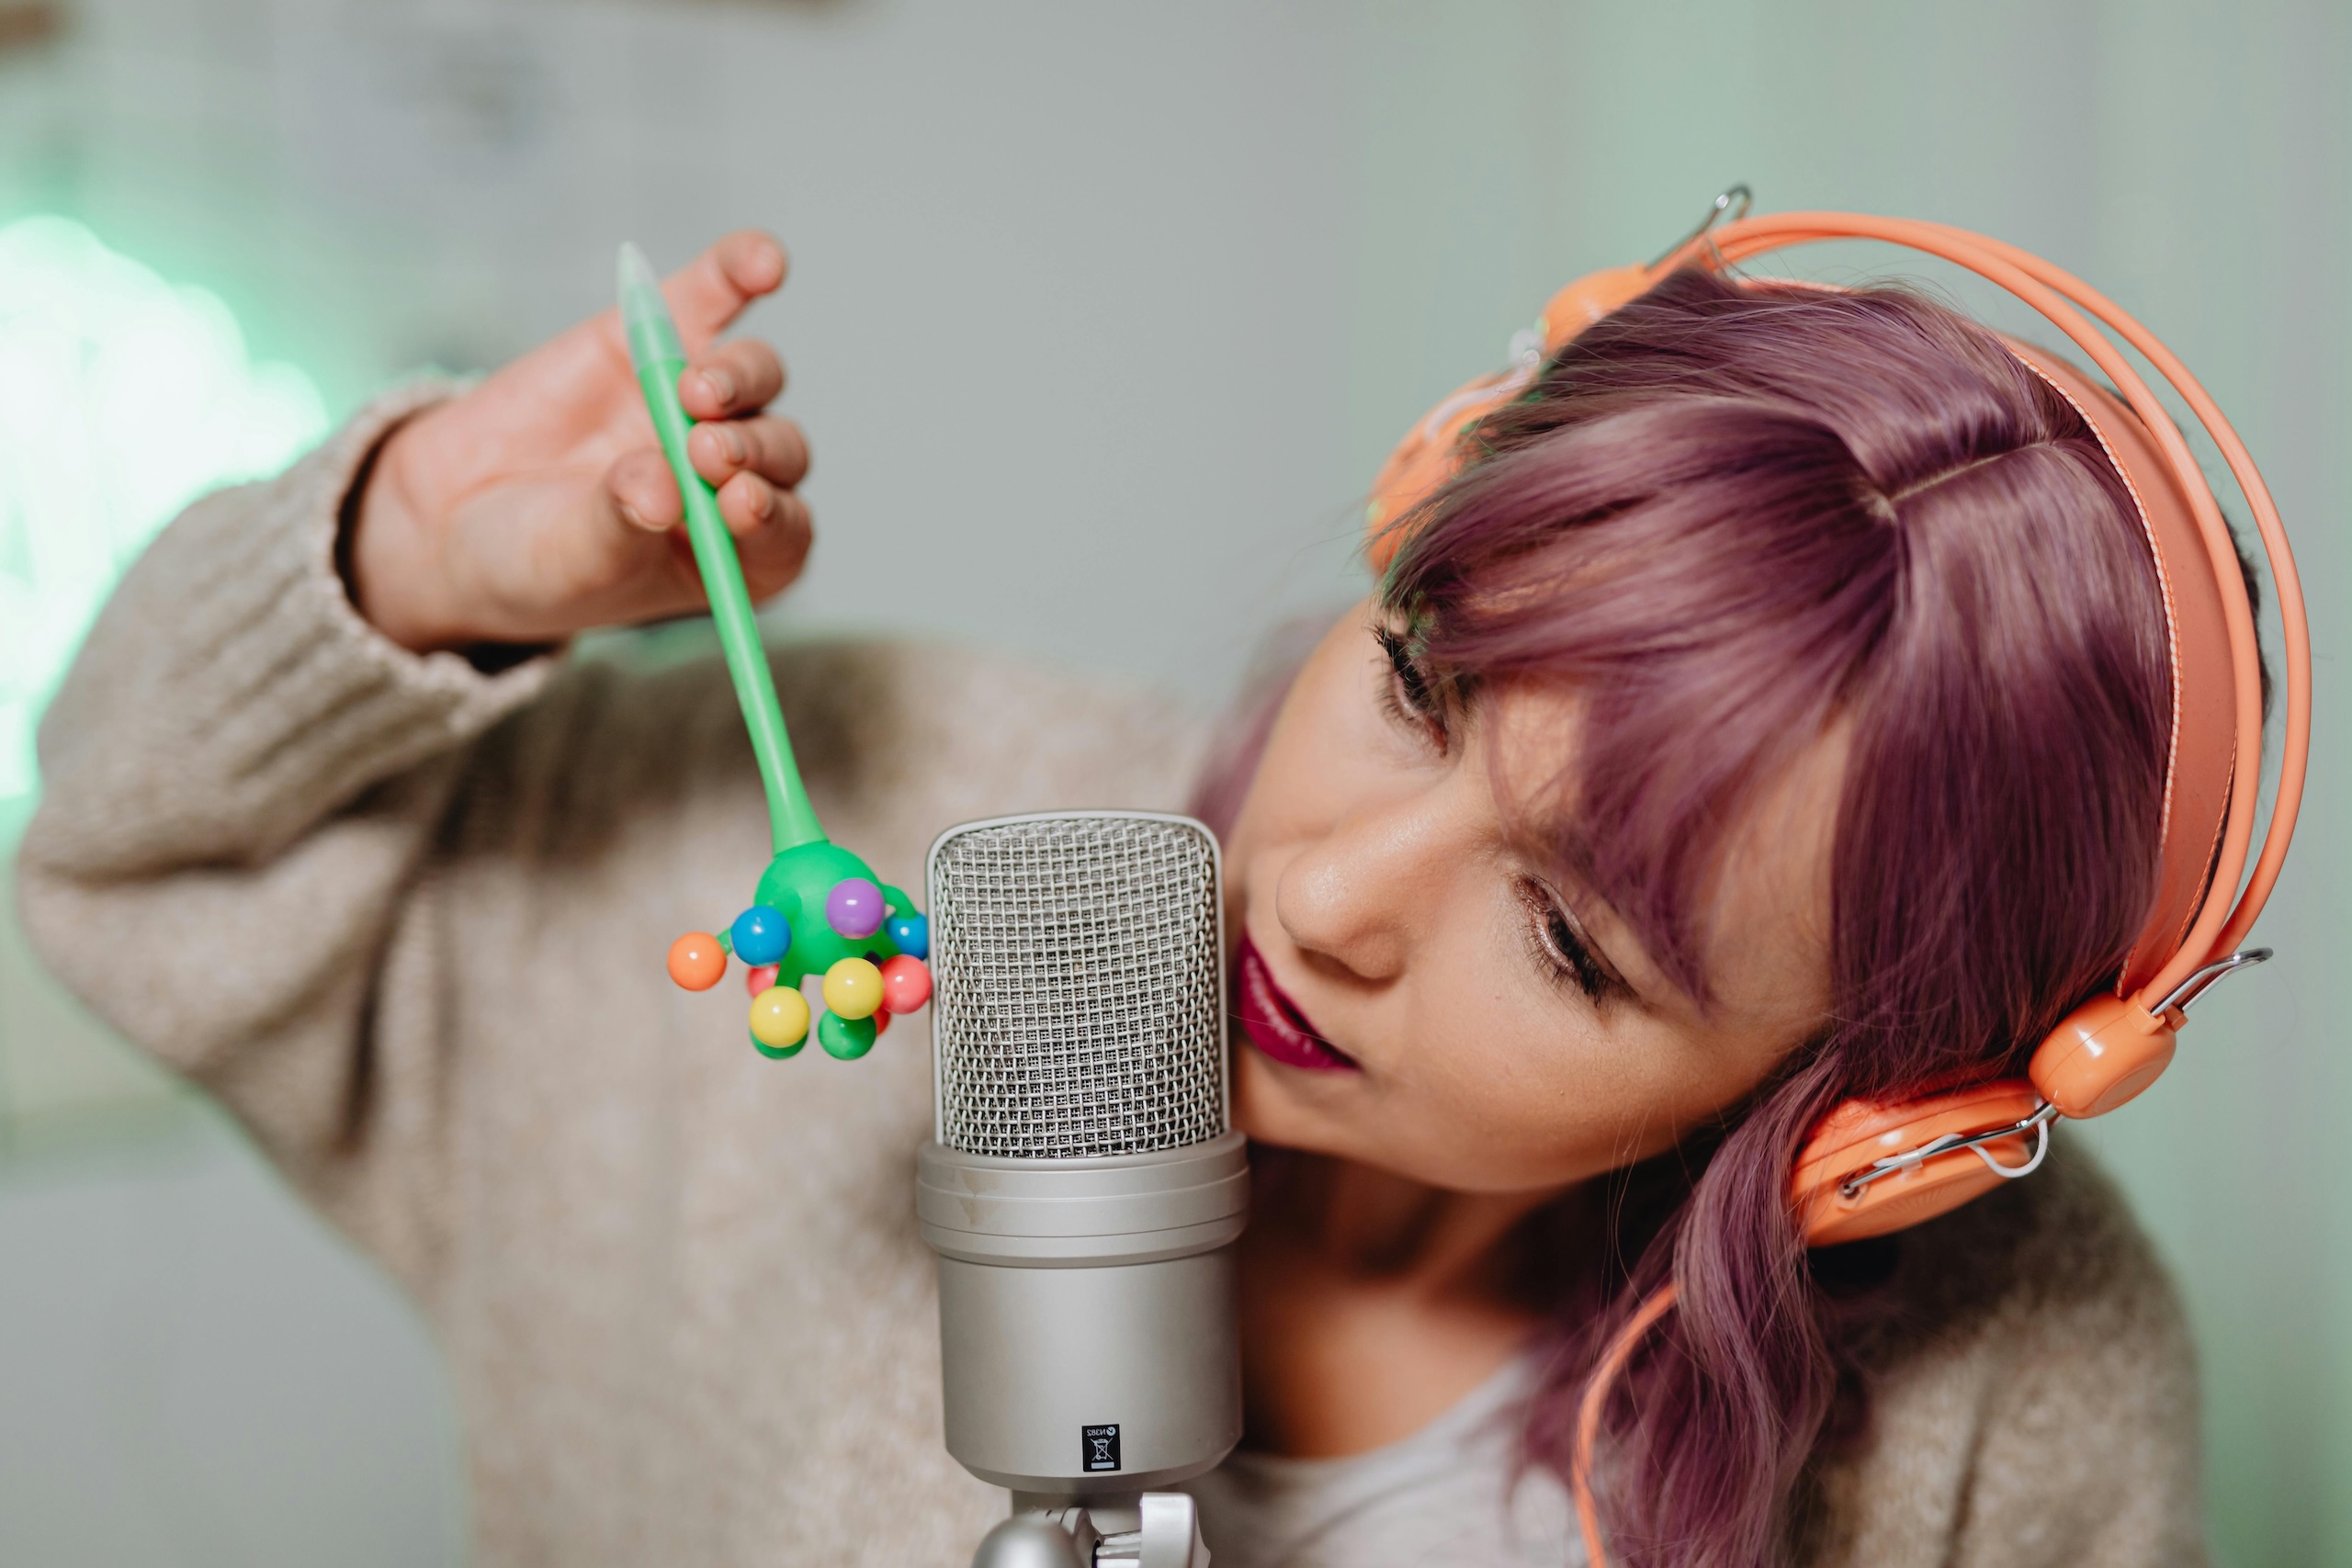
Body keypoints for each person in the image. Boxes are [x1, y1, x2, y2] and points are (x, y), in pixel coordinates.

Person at [18, 231, 2214, 1568]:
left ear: (1853, 1126)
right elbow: (132, 855)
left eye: (1567, 940)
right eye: (1411, 681)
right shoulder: (897, 808)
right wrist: (411, 559)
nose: (1327, 891)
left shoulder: (2014, 1373)